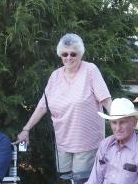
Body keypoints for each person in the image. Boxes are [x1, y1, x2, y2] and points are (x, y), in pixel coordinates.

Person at [15, 33, 112, 174]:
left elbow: (106, 100)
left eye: (73, 54)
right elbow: (43, 105)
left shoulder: (90, 70)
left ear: (80, 54)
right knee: (65, 180)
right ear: (60, 55)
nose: (68, 58)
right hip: (63, 140)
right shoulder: (55, 76)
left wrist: (120, 123)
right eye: (64, 54)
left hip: (86, 141)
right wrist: (26, 129)